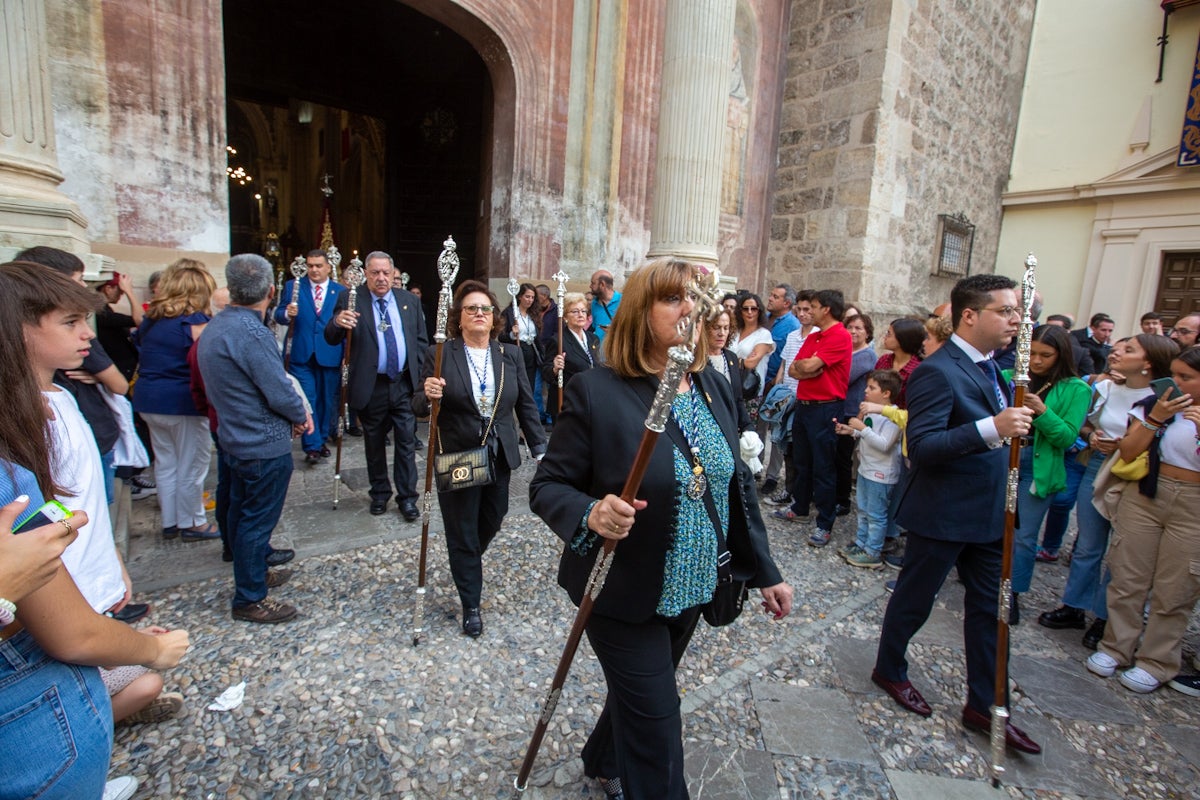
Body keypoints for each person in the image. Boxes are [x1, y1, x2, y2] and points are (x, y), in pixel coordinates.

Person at [529, 257, 793, 800]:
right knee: (658, 724)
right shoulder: (595, 390)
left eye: (695, 299)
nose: (689, 309)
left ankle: (602, 758)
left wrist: (765, 569)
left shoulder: (712, 386)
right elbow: (548, 486)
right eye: (674, 298)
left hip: (693, 587)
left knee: (644, 696)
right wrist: (591, 513)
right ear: (639, 312)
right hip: (621, 590)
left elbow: (734, 487)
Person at [0, 261, 190, 798]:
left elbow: (79, 513)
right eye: (69, 322)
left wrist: (112, 566)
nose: (89, 333)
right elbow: (66, 630)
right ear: (16, 330)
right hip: (38, 724)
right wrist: (149, 649)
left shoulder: (55, 400)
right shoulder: (11, 462)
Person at [871, 273, 1042, 755]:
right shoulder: (936, 371)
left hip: (990, 513)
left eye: (1017, 312)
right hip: (942, 512)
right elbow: (922, 447)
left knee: (992, 613)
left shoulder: (995, 366)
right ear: (970, 315)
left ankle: (986, 707)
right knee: (914, 600)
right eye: (1005, 311)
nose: (1016, 321)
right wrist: (993, 426)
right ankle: (890, 668)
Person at [416, 281, 547, 637]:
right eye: (471, 309)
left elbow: (525, 404)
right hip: (458, 455)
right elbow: (417, 404)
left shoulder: (510, 355)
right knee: (461, 530)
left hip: (498, 455)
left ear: (494, 319)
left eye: (485, 309)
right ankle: (470, 602)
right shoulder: (441, 353)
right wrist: (428, 395)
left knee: (493, 517)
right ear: (459, 318)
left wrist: (540, 448)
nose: (479, 314)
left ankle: (467, 558)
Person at [1037, 334, 1177, 649]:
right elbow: (1085, 425)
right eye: (1118, 347)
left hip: (1139, 471)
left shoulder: (1165, 397)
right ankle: (1073, 606)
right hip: (1099, 464)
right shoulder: (1104, 388)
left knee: (1124, 550)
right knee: (1088, 542)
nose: (1116, 351)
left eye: (1128, 350)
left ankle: (1105, 616)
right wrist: (1093, 436)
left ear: (1148, 361)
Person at [198, 255, 312, 624]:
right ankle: (250, 597)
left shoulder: (217, 326)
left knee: (237, 510)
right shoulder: (251, 332)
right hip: (259, 441)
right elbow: (277, 389)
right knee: (255, 520)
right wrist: (300, 416)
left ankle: (253, 570)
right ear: (271, 290)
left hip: (234, 435)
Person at [1085, 345, 1200, 693]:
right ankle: (1115, 646)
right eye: (1174, 375)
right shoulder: (1153, 404)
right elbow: (1130, 451)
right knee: (1127, 574)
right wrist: (1156, 418)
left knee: (1175, 586)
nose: (1176, 383)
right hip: (1148, 492)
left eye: (1186, 378)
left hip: (1193, 504)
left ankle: (1157, 661)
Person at [324, 251, 428, 520]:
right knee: (374, 443)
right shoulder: (351, 298)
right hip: (371, 385)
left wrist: (419, 379)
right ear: (365, 274)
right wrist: (338, 322)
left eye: (386, 273)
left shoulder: (408, 301)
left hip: (403, 383)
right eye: (375, 273)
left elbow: (419, 341)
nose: (381, 279)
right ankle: (380, 493)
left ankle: (407, 498)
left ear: (393, 274)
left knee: (406, 442)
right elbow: (332, 337)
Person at [1001, 325, 1090, 623]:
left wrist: (1042, 411)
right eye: (1032, 354)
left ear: (1060, 355)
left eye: (1046, 355)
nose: (1037, 361)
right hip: (1004, 458)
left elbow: (1067, 438)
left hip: (1039, 466)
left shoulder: (1076, 388)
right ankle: (989, 581)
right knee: (994, 526)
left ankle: (1012, 593)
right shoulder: (1009, 378)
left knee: (1024, 535)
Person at [133, 259, 219, 540]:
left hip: (149, 399)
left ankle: (171, 520)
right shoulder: (195, 323)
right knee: (192, 463)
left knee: (166, 462)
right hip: (182, 402)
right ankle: (193, 521)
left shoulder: (153, 320)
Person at [774, 289, 852, 547]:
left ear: (826, 309)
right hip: (805, 406)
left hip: (826, 408)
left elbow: (805, 367)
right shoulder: (816, 336)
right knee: (802, 461)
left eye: (814, 307)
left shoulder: (839, 335)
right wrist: (810, 368)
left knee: (824, 466)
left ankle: (825, 523)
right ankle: (800, 507)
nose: (808, 311)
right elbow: (797, 368)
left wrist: (810, 367)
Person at [275, 249, 345, 464]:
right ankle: (312, 445)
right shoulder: (293, 287)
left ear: (327, 267)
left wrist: (345, 355)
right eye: (310, 266)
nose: (313, 270)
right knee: (308, 398)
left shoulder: (339, 291)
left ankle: (321, 438)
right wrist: (288, 312)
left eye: (318, 266)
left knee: (326, 400)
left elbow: (345, 326)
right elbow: (278, 314)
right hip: (302, 353)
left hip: (329, 352)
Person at [836, 369, 903, 568]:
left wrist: (861, 428)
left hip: (881, 473)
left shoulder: (893, 417)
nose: (865, 390)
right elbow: (867, 434)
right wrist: (851, 431)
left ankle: (873, 551)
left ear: (886, 393)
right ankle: (861, 542)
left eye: (871, 388)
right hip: (867, 468)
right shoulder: (870, 412)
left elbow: (884, 444)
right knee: (863, 510)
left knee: (876, 514)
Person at [836, 313, 879, 516]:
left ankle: (843, 500)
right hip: (838, 407)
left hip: (851, 410)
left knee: (843, 457)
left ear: (867, 332)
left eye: (858, 328)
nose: (853, 331)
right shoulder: (845, 351)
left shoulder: (867, 355)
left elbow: (844, 377)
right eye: (850, 327)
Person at [543, 291, 602, 419]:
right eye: (575, 311)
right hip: (568, 401)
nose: (580, 315)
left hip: (591, 399)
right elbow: (546, 372)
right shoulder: (558, 341)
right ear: (565, 317)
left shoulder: (593, 339)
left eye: (583, 311)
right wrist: (554, 369)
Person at [501, 282, 545, 421]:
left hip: (530, 353)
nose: (530, 300)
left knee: (529, 389)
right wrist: (512, 334)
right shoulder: (509, 313)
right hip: (515, 351)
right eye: (527, 296)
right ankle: (512, 420)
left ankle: (525, 424)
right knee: (514, 387)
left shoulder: (533, 314)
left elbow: (538, 337)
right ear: (519, 297)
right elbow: (500, 336)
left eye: (532, 297)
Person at [875, 318, 925, 408]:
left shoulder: (918, 369)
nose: (885, 337)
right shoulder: (884, 360)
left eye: (889, 334)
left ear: (902, 339)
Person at [589, 269, 622, 341]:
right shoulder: (594, 303)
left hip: (617, 349)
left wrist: (615, 331)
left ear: (602, 284)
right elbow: (595, 327)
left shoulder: (624, 301)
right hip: (598, 350)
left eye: (593, 283)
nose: (590, 286)